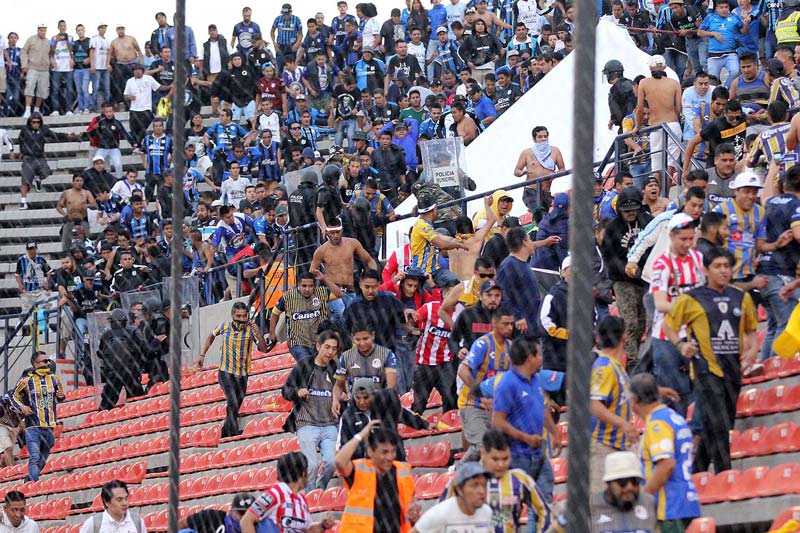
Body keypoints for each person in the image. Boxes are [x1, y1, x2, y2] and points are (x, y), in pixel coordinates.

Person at [664, 247, 758, 473]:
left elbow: (751, 331)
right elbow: (669, 325)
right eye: (718, 266)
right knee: (719, 422)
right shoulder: (691, 298)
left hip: (733, 370)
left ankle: (697, 471)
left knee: (717, 422)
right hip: (705, 369)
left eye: (727, 266)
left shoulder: (741, 297)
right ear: (706, 270)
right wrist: (681, 344)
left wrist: (752, 350)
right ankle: (725, 473)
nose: (723, 271)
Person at [492, 338, 562, 505]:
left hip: (537, 452)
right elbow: (498, 421)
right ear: (530, 358)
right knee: (511, 507)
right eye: (539, 355)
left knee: (543, 501)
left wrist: (554, 433)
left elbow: (543, 408)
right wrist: (526, 438)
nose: (541, 359)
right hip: (516, 455)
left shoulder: (536, 379)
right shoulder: (507, 384)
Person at [649, 213, 705, 416]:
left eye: (691, 238)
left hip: (694, 333)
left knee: (696, 388)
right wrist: (687, 309)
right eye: (683, 239)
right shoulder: (661, 264)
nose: (688, 244)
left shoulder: (698, 258)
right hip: (666, 337)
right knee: (673, 392)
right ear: (672, 237)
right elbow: (660, 303)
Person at [630, 374, 701, 532]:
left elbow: (666, 464)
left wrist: (644, 497)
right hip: (685, 500)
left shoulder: (657, 423)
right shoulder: (673, 417)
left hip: (669, 505)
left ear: (634, 400)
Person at [281, 330, 341, 491]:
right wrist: (297, 392)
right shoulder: (304, 365)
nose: (330, 352)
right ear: (318, 346)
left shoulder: (336, 369)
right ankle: (309, 498)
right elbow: (285, 390)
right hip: (307, 423)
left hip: (330, 424)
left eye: (334, 349)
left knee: (332, 463)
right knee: (312, 465)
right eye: (327, 347)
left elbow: (342, 391)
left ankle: (318, 491)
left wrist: (342, 399)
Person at [199, 302, 269, 438]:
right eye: (239, 316)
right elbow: (211, 336)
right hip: (226, 372)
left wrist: (259, 334)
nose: (242, 319)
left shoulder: (250, 330)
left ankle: (225, 431)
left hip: (242, 374)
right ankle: (233, 429)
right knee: (233, 400)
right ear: (232, 315)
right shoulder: (224, 327)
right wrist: (203, 354)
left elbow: (263, 349)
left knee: (237, 402)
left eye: (244, 316)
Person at [336, 421, 422, 532]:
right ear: (370, 452)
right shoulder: (359, 469)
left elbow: (411, 508)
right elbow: (339, 461)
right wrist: (360, 435)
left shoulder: (402, 471)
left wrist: (415, 516)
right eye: (384, 452)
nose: (390, 457)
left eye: (393, 451)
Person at [601, 187, 653, 370]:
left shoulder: (649, 222)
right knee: (629, 322)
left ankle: (638, 356)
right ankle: (631, 361)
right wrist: (624, 269)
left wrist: (644, 268)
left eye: (634, 208)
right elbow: (608, 257)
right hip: (623, 281)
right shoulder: (612, 229)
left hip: (646, 279)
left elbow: (656, 247)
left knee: (642, 323)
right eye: (626, 209)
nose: (631, 213)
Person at [458, 306, 515, 463]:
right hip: (473, 403)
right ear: (495, 323)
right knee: (482, 446)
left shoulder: (511, 347)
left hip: (496, 408)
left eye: (512, 324)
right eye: (505, 324)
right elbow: (462, 370)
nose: (510, 327)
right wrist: (480, 394)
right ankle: (459, 472)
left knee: (503, 448)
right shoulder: (483, 344)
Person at [241, 452, 333, 533]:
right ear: (303, 474)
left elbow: (308, 529)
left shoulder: (301, 500)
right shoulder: (274, 494)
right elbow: (246, 521)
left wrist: (322, 526)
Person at [10, 352, 64, 481]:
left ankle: (28, 482)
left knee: (42, 460)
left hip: (49, 426)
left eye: (48, 361)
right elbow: (12, 396)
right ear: (35, 364)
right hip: (33, 426)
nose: (47, 363)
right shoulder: (26, 380)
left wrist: (61, 396)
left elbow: (60, 397)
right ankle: (33, 485)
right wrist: (22, 407)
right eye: (44, 361)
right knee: (34, 457)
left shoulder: (54, 379)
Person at [269, 270, 342, 362]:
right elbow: (275, 313)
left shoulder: (322, 292)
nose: (307, 289)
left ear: (315, 286)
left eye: (310, 286)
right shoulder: (287, 297)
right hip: (298, 342)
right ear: (298, 285)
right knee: (306, 363)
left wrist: (324, 279)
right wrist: (272, 332)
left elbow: (339, 294)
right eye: (304, 286)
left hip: (320, 341)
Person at [634, 55, 682, 182]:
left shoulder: (644, 83)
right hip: (673, 124)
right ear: (665, 67)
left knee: (657, 167)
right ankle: (665, 197)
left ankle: (658, 197)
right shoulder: (674, 83)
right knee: (670, 165)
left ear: (650, 68)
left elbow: (639, 109)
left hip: (656, 126)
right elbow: (679, 108)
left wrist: (637, 126)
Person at [332, 321, 399, 412]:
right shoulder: (346, 357)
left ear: (373, 336)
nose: (362, 343)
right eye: (358, 340)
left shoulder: (387, 354)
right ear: (352, 338)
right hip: (354, 405)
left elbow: (391, 386)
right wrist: (335, 400)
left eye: (365, 338)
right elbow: (338, 385)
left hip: (380, 405)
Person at [16, 111, 74, 209]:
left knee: (46, 172)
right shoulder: (25, 130)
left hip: (39, 157)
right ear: (30, 122)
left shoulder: (44, 129)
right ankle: (23, 201)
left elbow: (55, 135)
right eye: (34, 122)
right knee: (25, 181)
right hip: (28, 158)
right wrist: (21, 151)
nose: (36, 124)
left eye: (38, 122)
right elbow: (20, 141)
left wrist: (67, 135)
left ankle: (38, 179)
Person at [412, 462, 493, 532]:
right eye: (474, 485)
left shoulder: (487, 512)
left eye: (484, 485)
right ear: (459, 489)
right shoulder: (439, 514)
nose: (482, 491)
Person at [589, 452, 657, 533]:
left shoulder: (649, 502)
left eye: (634, 480)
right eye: (622, 482)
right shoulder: (591, 505)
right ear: (608, 482)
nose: (630, 487)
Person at [96, 308, 147, 410]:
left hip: (113, 374)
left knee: (106, 406)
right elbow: (144, 348)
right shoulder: (133, 331)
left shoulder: (106, 335)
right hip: (131, 371)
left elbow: (100, 353)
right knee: (137, 403)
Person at [496, 226, 541, 340]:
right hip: (521, 331)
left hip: (532, 328)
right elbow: (501, 295)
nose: (532, 243)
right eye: (530, 239)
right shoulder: (509, 265)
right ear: (524, 242)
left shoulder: (524, 264)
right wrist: (517, 317)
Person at [513, 126, 565, 211]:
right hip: (531, 191)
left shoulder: (555, 151)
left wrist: (555, 175)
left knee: (544, 217)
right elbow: (516, 170)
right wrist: (521, 173)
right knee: (539, 213)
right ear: (534, 139)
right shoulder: (527, 153)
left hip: (546, 192)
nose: (543, 139)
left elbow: (562, 168)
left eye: (545, 136)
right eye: (540, 137)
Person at [78, 480, 146, 533]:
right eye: (119, 500)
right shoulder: (94, 523)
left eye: (126, 498)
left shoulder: (137, 521)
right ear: (107, 502)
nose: (125, 503)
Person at [56, 174, 96, 252]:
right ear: (73, 182)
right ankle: (67, 258)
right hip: (70, 220)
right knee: (66, 244)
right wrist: (64, 214)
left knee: (86, 242)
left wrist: (87, 205)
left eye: (81, 181)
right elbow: (59, 206)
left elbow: (94, 205)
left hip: (82, 220)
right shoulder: (67, 193)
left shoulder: (86, 193)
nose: (79, 183)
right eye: (77, 181)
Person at [20, 24, 51, 118]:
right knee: (29, 88)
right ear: (38, 30)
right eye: (41, 30)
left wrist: (52, 63)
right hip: (32, 67)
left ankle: (37, 110)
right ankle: (28, 110)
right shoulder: (31, 39)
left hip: (44, 69)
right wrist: (24, 65)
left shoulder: (48, 41)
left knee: (42, 90)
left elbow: (51, 54)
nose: (43, 32)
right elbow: (24, 51)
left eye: (44, 30)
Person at [180, 493, 252, 533]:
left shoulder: (256, 528)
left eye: (247, 513)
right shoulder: (211, 517)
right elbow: (183, 524)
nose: (244, 517)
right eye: (241, 513)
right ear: (232, 510)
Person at [15, 242, 51, 312]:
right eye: (30, 249)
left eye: (33, 249)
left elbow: (49, 272)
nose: (32, 251)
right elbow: (17, 274)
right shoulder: (21, 260)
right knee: (25, 312)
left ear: (36, 249)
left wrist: (47, 281)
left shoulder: (41, 259)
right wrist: (20, 284)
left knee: (42, 310)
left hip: (39, 290)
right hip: (27, 291)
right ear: (27, 250)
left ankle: (41, 322)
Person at [603, 59, 637, 133]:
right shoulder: (631, 83)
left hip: (626, 126)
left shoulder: (614, 89)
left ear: (612, 74)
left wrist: (613, 120)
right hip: (638, 123)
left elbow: (616, 111)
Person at [0, 395, 23, 468]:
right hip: (2, 425)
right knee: (8, 447)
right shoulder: (6, 398)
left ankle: (3, 471)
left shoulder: (27, 401)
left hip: (14, 426)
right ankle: (11, 470)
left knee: (5, 454)